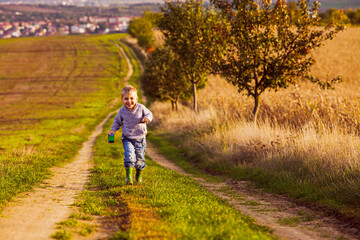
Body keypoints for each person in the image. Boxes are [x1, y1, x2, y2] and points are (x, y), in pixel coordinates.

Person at [108, 85, 153, 185]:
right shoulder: (122, 111)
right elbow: (117, 122)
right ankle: (129, 177)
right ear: (122, 99)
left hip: (140, 138)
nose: (129, 101)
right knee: (129, 156)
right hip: (127, 138)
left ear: (136, 98)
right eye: (126, 99)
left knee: (140, 159)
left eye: (132, 98)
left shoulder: (141, 108)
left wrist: (147, 119)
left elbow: (149, 114)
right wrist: (113, 131)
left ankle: (139, 176)